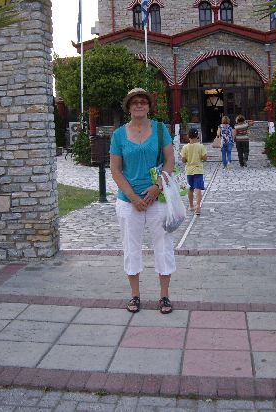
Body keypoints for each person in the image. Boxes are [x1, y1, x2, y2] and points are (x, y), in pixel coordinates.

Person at [109, 88, 175, 315]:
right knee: (131, 248)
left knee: (164, 246)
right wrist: (133, 198)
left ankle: (164, 296)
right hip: (129, 202)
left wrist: (157, 186)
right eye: (135, 102)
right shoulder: (118, 135)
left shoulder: (160, 129)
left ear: (149, 106)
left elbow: (170, 160)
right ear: (128, 107)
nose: (139, 105)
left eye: (143, 102)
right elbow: (115, 170)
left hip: (157, 199)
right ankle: (135, 295)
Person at [180, 127, 207, 216]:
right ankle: (198, 206)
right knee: (198, 188)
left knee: (190, 189)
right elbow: (205, 158)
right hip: (198, 170)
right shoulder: (201, 146)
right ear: (197, 136)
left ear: (188, 136)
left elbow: (183, 160)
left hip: (189, 171)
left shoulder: (185, 147)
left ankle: (191, 205)